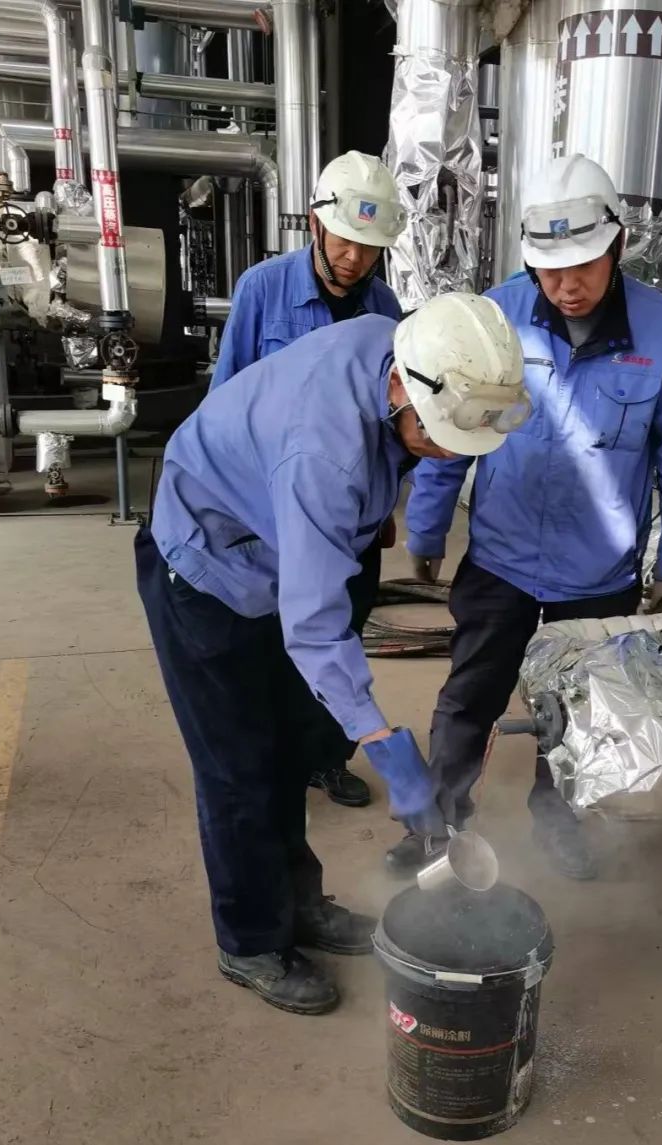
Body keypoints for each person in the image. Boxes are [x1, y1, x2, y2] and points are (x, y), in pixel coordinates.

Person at [136, 295, 527, 1015]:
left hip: (272, 546)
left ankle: (298, 906)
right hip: (205, 569)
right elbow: (314, 627)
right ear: (403, 387)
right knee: (239, 768)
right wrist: (380, 741)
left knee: (290, 751)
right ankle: (251, 939)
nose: (447, 453)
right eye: (438, 435)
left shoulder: (395, 341)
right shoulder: (325, 456)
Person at [390, 153, 662, 881]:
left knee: (577, 712)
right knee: (468, 698)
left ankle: (560, 817)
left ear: (617, 246)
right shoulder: (497, 316)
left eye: (583, 267)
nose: (566, 286)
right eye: (549, 270)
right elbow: (450, 429)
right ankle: (436, 825)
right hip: (502, 558)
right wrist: (428, 527)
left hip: (599, 571)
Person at [211, 150, 407, 809]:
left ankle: (326, 756)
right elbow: (225, 401)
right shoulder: (263, 290)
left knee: (342, 626)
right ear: (316, 224)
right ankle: (266, 766)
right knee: (273, 636)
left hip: (348, 510)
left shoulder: (384, 308)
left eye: (370, 247)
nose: (355, 258)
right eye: (345, 240)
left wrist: (386, 506)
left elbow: (396, 418)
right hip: (271, 511)